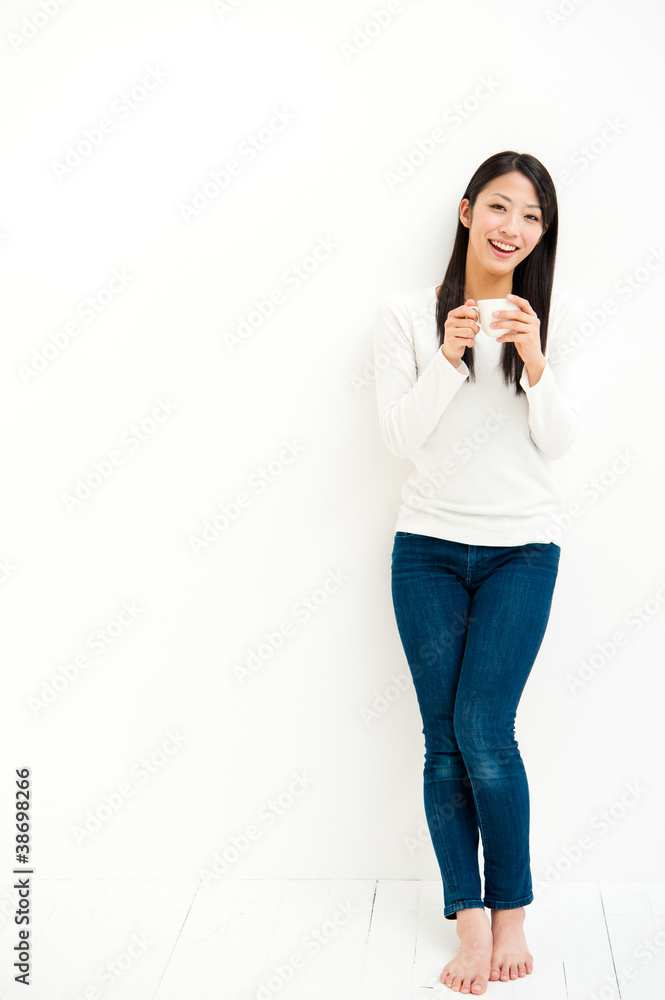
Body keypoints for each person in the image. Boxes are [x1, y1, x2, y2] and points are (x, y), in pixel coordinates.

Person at [373, 151, 583, 995]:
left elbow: (560, 443)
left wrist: (536, 364)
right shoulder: (405, 315)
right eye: (500, 208)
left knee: (484, 734)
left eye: (531, 217)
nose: (513, 228)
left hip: (522, 549)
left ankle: (511, 915)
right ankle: (467, 918)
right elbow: (400, 440)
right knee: (441, 741)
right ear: (466, 213)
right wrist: (449, 356)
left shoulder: (547, 317)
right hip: (425, 548)